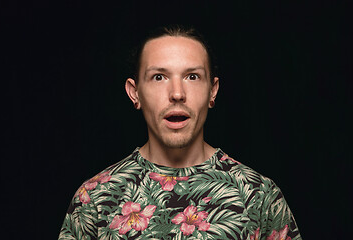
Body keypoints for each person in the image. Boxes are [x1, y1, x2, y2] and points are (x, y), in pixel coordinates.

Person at [59, 25, 302, 240]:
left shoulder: (258, 196)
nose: (177, 93)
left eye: (192, 76)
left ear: (212, 91)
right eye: (159, 77)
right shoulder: (95, 199)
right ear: (135, 93)